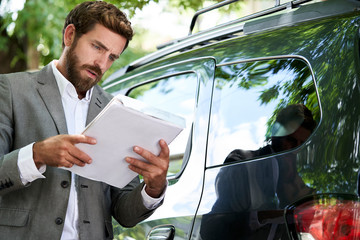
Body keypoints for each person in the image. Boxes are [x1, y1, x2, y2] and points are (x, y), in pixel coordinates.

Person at [0, 1, 169, 239]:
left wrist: (154, 188)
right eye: (97, 48)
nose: (102, 64)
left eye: (112, 57)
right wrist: (36, 154)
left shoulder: (117, 111)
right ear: (70, 35)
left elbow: (125, 214)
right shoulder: (9, 90)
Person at [200, 104, 317, 239]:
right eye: (290, 139)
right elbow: (210, 228)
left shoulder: (298, 181)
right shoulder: (242, 164)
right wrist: (262, 217)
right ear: (275, 134)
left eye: (302, 143)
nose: (296, 149)